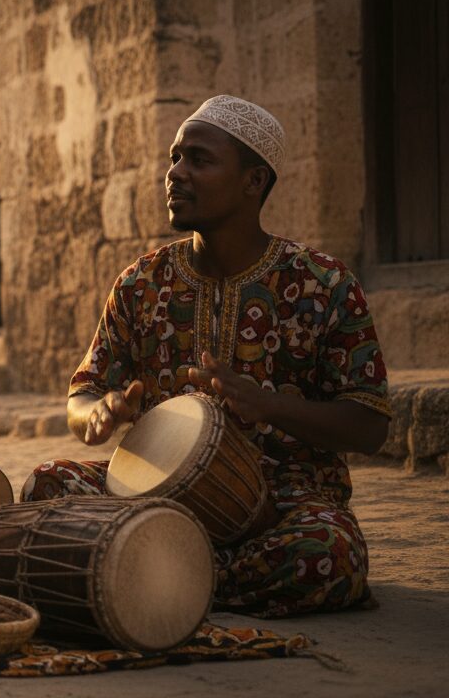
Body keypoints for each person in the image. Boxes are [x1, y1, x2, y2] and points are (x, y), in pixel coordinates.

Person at [24, 95, 390, 618]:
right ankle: (168, 573)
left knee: (329, 554)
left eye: (199, 159)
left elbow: (369, 424)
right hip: (151, 497)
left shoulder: (324, 283)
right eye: (175, 157)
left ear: (253, 181)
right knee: (47, 485)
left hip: (281, 504)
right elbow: (81, 393)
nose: (175, 173)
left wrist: (265, 405)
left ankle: (152, 576)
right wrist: (98, 411)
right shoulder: (140, 283)